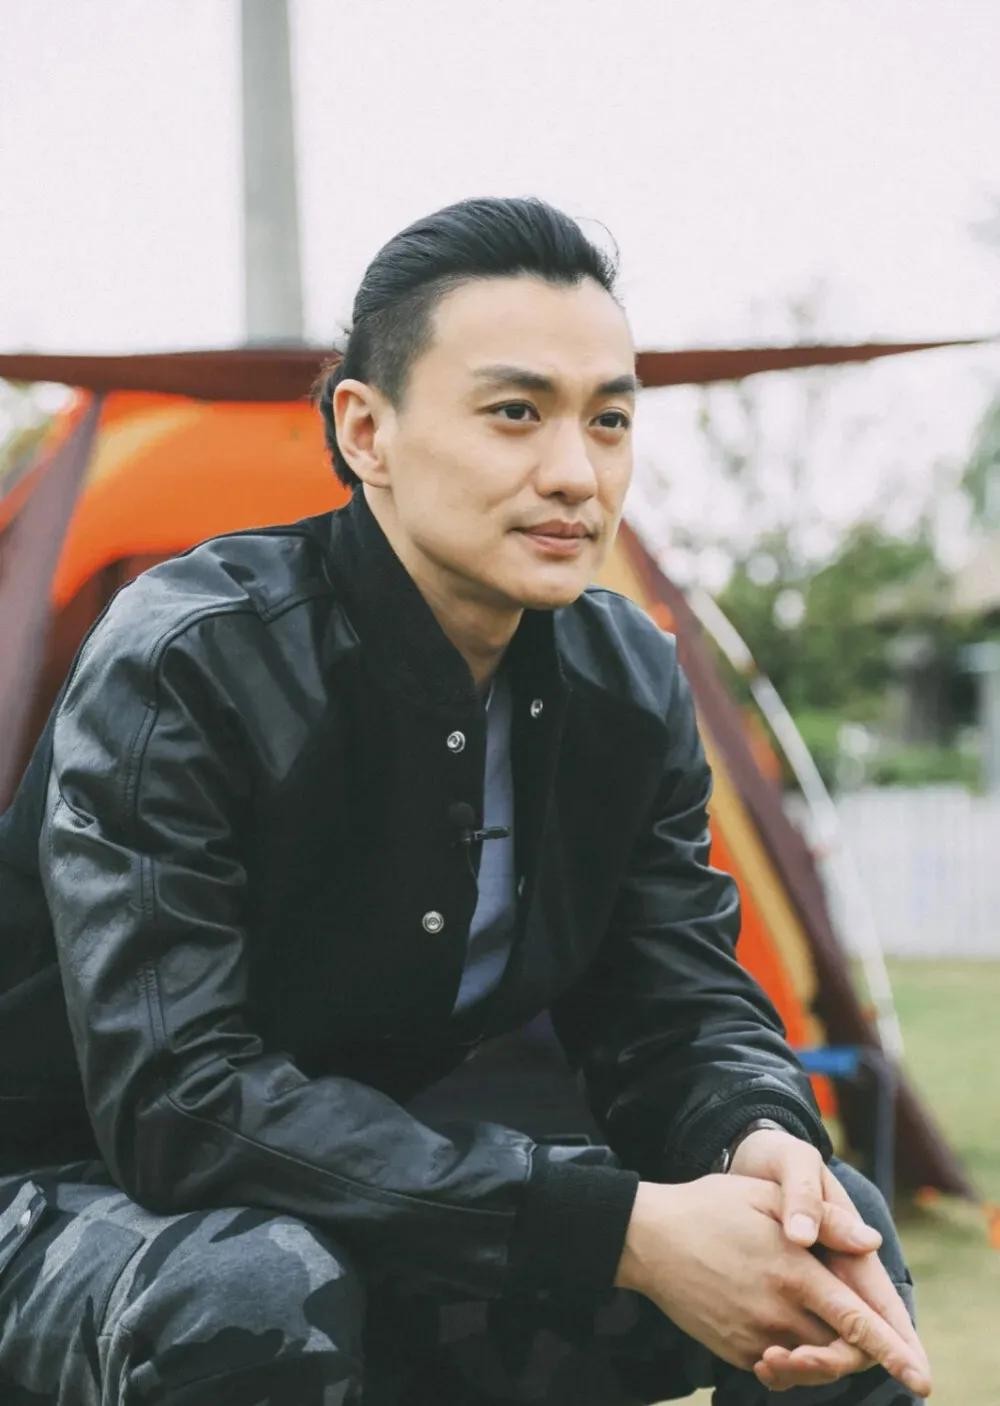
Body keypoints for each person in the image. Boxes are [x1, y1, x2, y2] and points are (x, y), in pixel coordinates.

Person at [0, 196, 929, 1405]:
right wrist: (618, 1228)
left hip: (376, 1201)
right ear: (366, 430)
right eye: (514, 412)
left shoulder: (624, 679)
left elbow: (678, 1006)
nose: (574, 472)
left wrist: (756, 1135)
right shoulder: (192, 658)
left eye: (608, 420)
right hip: (73, 1192)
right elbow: (181, 1102)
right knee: (252, 1286)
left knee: (827, 1242)